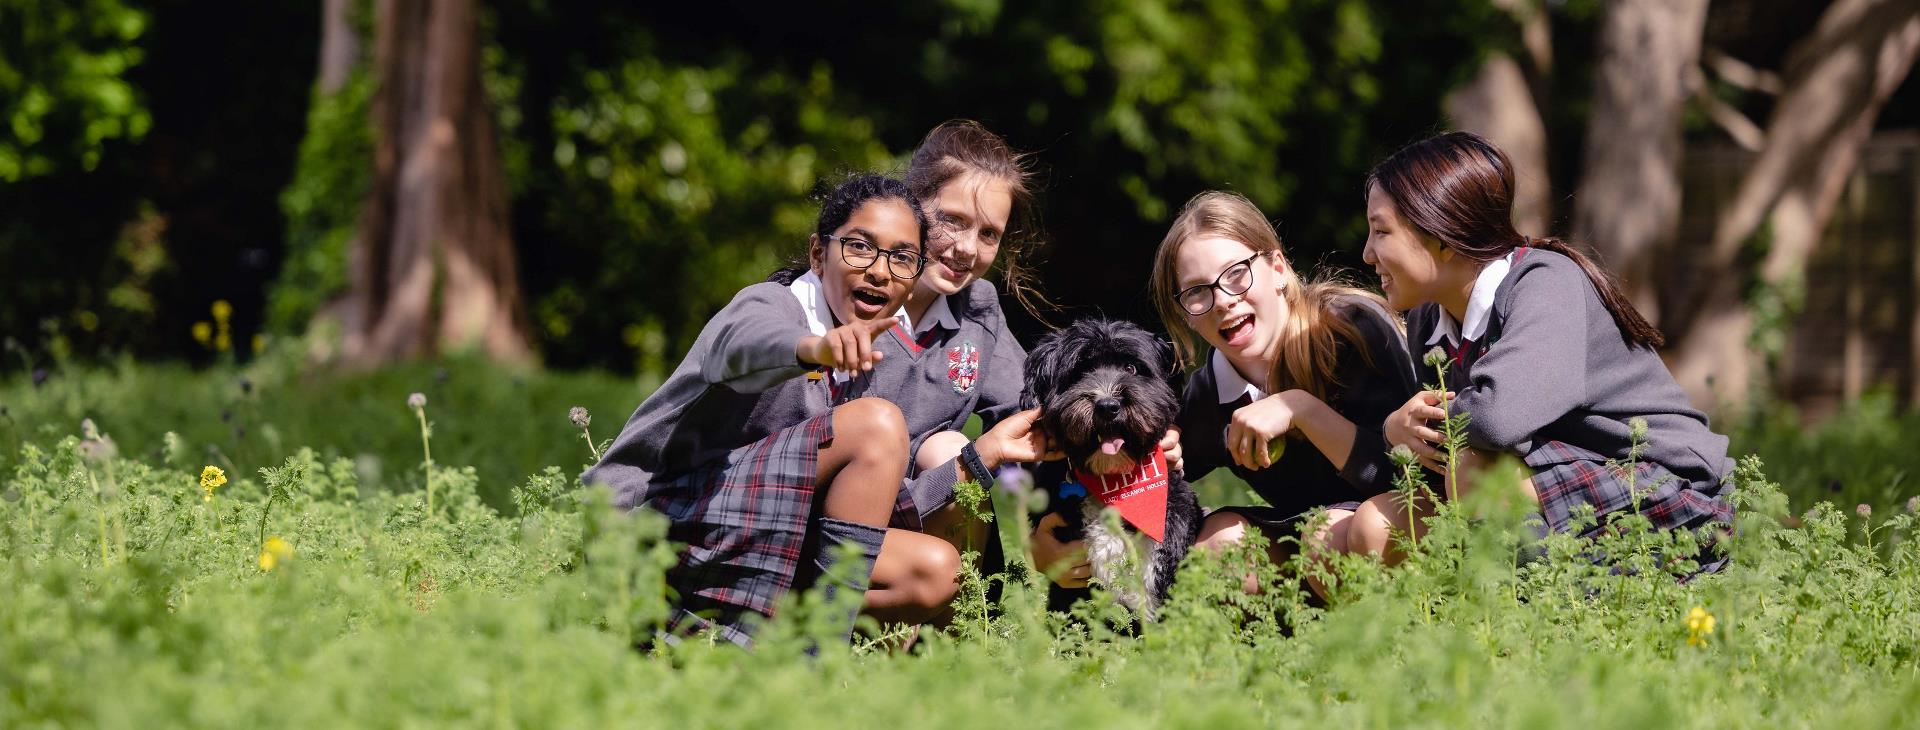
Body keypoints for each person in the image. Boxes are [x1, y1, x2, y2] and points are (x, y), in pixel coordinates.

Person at [586, 174, 1049, 646]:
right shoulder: (774, 306)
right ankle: (815, 654)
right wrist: (812, 348)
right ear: (816, 253)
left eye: (901, 259)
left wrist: (981, 460)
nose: (879, 271)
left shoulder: (874, 346)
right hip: (657, 532)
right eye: (860, 248)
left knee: (937, 572)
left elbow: (886, 510)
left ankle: (801, 652)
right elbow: (740, 344)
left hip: (772, 537)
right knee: (878, 424)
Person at [1353, 131, 1735, 569]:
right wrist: (1393, 431)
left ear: (1442, 236)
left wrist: (1418, 424)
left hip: (1667, 489)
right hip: (1565, 489)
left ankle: (1549, 615)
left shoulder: (1544, 282)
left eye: (1381, 231)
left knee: (1476, 469)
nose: (1367, 253)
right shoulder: (1428, 320)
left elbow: (1498, 419)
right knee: (1378, 523)